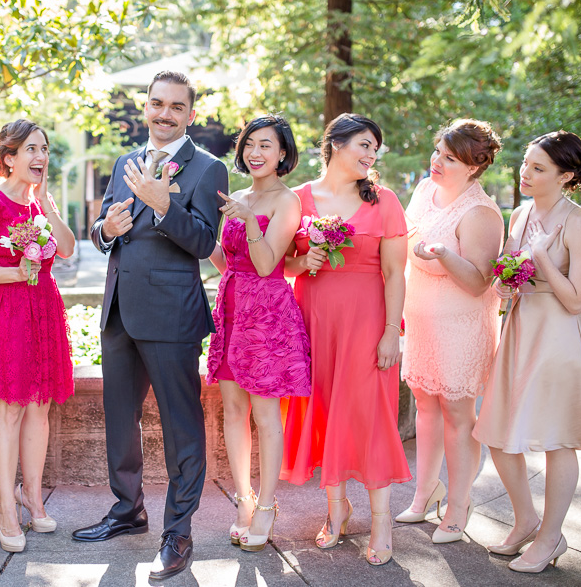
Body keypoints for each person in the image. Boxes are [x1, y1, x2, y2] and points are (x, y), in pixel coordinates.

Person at [76, 70, 229, 580]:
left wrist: (165, 206)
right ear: (147, 106)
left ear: (190, 114)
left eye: (175, 107)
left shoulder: (208, 169)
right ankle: (127, 511)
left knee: (181, 426)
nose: (164, 114)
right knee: (121, 419)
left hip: (171, 314)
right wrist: (104, 230)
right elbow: (104, 229)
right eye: (156, 103)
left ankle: (179, 532)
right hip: (119, 308)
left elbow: (207, 244)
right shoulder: (123, 161)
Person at [473, 131, 581, 573]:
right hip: (520, 331)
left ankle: (550, 537)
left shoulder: (577, 222)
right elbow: (505, 277)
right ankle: (526, 521)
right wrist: (504, 283)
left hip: (558, 337)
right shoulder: (519, 214)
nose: (526, 172)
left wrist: (540, 260)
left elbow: (578, 299)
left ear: (566, 176)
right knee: (499, 433)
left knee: (557, 440)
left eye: (538, 168)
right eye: (526, 163)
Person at [281, 113, 411, 567]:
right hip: (313, 320)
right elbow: (282, 266)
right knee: (322, 411)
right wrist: (304, 260)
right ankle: (337, 510)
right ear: (335, 144)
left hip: (368, 322)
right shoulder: (297, 198)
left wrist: (392, 331)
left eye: (375, 148)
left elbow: (395, 272)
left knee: (370, 416)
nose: (370, 154)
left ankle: (381, 519)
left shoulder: (386, 201)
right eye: (363, 144)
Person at [0, 119, 76, 552]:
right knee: (10, 408)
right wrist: (16, 272)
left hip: (43, 306)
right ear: (8, 158)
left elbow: (65, 249)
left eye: (44, 148)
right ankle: (5, 506)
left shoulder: (38, 204)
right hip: (7, 310)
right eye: (31, 149)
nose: (40, 157)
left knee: (40, 405)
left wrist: (47, 204)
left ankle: (32, 495)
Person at [396, 119, 504, 543]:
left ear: (474, 167)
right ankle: (425, 493)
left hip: (461, 325)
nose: (437, 162)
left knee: (459, 415)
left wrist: (442, 254)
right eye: (438, 151)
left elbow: (479, 281)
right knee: (425, 405)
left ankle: (459, 505)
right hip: (421, 320)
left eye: (450, 158)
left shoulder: (481, 212)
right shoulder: (424, 190)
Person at [206, 115, 311, 552]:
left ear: (283, 153)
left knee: (267, 417)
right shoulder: (240, 196)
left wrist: (250, 221)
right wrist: (175, 222)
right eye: (250, 144)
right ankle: (244, 503)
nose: (255, 153)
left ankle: (267, 506)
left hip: (266, 314)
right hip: (232, 308)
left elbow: (269, 266)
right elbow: (224, 260)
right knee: (233, 410)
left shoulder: (287, 202)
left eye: (266, 145)